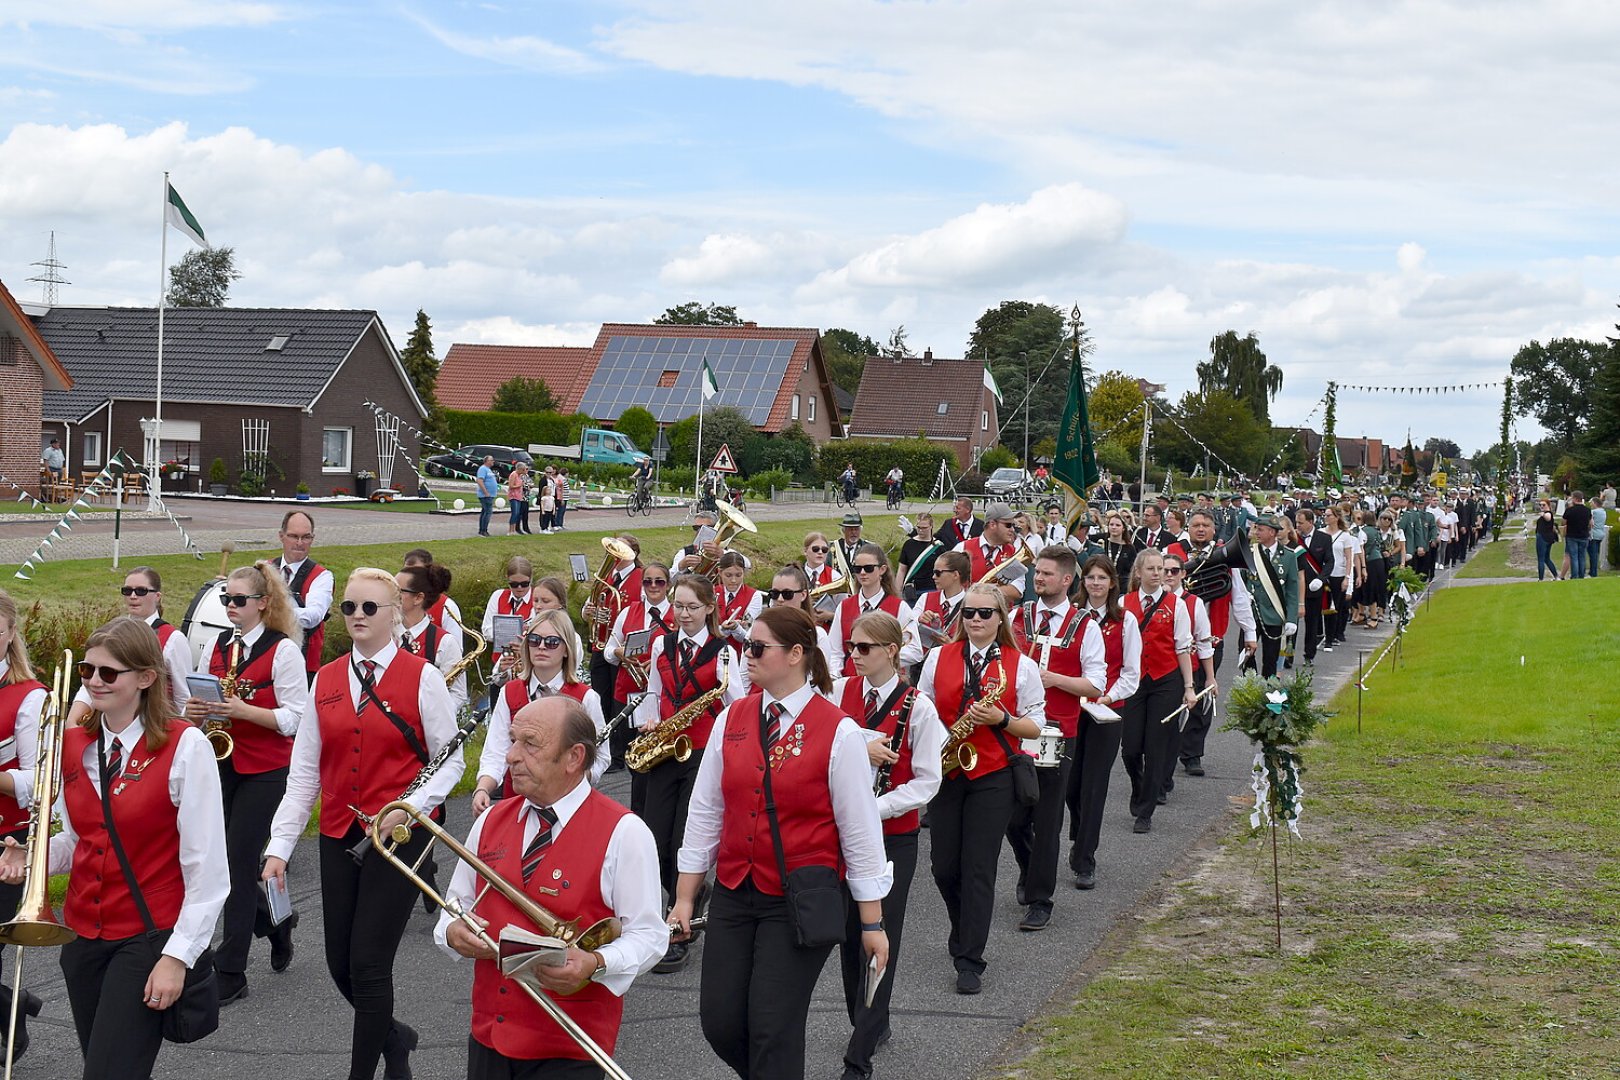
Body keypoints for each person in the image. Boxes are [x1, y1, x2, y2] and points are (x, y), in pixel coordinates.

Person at [667, 606, 891, 1080]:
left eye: (756, 647)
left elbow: (861, 833)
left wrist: (872, 923)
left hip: (798, 898)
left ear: (795, 655)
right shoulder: (733, 717)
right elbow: (706, 812)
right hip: (734, 889)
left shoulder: (840, 732)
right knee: (721, 1022)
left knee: (773, 1026)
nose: (746, 656)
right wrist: (685, 897)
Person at [0, 618, 226, 1080]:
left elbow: (208, 873)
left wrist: (176, 957)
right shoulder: (73, 743)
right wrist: (32, 855)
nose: (93, 682)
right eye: (87, 671)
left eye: (108, 673)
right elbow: (77, 839)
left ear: (145, 678)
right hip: (82, 939)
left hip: (145, 938)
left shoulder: (186, 747)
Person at [263, 568, 463, 1080]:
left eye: (369, 607)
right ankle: (394, 1042)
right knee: (339, 964)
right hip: (338, 832)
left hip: (400, 836)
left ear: (395, 614)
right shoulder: (326, 678)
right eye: (349, 607)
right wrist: (279, 846)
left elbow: (450, 760)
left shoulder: (421, 676)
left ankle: (366, 1072)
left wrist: (412, 805)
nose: (356, 616)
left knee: (370, 965)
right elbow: (305, 770)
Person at [436, 695, 666, 1080]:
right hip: (489, 1037)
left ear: (574, 758)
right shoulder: (491, 819)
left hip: (570, 1048)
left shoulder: (625, 832)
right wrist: (451, 932)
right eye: (512, 740)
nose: (510, 755)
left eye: (530, 743)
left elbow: (650, 936)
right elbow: (454, 906)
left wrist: (596, 962)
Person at [183, 562, 308, 1002]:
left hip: (267, 769)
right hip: (222, 763)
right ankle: (276, 922)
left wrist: (244, 712)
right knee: (221, 861)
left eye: (238, 600)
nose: (230, 607)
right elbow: (196, 698)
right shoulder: (217, 645)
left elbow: (296, 718)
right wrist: (196, 712)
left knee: (236, 864)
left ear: (263, 604)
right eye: (225, 600)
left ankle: (231, 969)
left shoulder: (284, 651)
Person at [829, 610, 943, 1080]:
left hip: (892, 838)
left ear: (892, 651)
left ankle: (860, 1054)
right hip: (844, 839)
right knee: (848, 940)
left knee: (879, 937)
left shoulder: (919, 707)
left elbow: (927, 781)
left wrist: (873, 809)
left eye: (864, 648)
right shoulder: (839, 692)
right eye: (852, 646)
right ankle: (870, 1020)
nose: (854, 656)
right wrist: (858, 743)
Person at [920, 583, 1044, 994]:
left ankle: (970, 958)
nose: (976, 620)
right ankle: (963, 929)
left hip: (993, 775)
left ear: (1000, 618)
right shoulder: (938, 657)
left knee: (978, 868)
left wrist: (1001, 719)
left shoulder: (1019, 664)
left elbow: (1034, 726)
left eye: (985, 613)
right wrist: (939, 740)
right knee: (943, 867)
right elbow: (921, 708)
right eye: (969, 613)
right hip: (947, 769)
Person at [629, 575, 748, 973]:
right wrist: (648, 723)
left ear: (710, 608)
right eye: (678, 606)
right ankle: (692, 895)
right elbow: (652, 690)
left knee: (684, 840)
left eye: (691, 607)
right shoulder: (661, 643)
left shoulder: (726, 652)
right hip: (665, 750)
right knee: (655, 840)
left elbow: (738, 704)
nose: (682, 613)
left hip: (701, 753)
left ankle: (678, 926)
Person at [1006, 546, 1104, 932]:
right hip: (1016, 727)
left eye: (1046, 574)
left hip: (1058, 732)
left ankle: (1040, 899)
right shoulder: (1018, 615)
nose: (1038, 578)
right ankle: (1030, 870)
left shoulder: (1086, 625)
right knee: (1013, 817)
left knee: (1047, 818)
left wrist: (1055, 680)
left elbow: (1096, 684)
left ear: (1067, 580)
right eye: (1037, 573)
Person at [473, 608, 611, 812]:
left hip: (568, 806)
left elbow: (601, 757)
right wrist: (483, 788)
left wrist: (574, 781)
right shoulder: (509, 692)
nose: (542, 647)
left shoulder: (586, 697)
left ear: (566, 649)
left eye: (552, 642)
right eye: (534, 640)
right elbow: (495, 751)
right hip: (517, 803)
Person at [1065, 556, 1139, 888]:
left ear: (1112, 583)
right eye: (1090, 578)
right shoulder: (1072, 617)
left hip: (1106, 711)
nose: (1095, 583)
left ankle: (1085, 858)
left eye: (1102, 578)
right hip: (1069, 709)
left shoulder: (1125, 620)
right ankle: (1080, 834)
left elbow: (1131, 673)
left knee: (1094, 786)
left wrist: (1107, 696)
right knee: (1070, 786)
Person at [1119, 548, 1196, 834]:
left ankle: (1146, 810)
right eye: (1150, 568)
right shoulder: (1123, 603)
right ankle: (1138, 787)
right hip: (1134, 680)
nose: (1157, 573)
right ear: (1138, 572)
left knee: (1155, 747)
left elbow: (1183, 647)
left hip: (1166, 679)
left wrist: (1189, 688)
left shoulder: (1176, 605)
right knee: (1130, 749)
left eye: (1160, 568)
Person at [0, 592, 45, 1061]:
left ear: (11, 634)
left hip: (7, 841)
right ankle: (12, 1004)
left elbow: (40, 780)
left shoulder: (29, 698)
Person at [67, 568, 193, 724]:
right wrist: (73, 720)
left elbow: (183, 696)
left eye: (141, 591)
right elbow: (94, 676)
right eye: (127, 591)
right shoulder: (113, 630)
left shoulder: (174, 639)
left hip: (156, 726)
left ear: (157, 597)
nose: (133, 596)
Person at [826, 542, 923, 678]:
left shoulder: (900, 607)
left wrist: (880, 658)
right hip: (851, 681)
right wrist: (836, 677)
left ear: (882, 569)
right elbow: (835, 651)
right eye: (857, 568)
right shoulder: (844, 606)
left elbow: (915, 651)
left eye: (869, 568)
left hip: (886, 682)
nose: (862, 573)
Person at [397, 561, 468, 714]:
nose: (390, 595)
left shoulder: (445, 642)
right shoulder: (383, 632)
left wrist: (432, 718)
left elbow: (458, 694)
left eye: (398, 591)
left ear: (418, 598)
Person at [272, 510, 334, 685]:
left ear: (312, 539)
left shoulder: (322, 576)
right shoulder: (265, 569)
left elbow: (314, 616)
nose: (300, 543)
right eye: (293, 536)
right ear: (281, 536)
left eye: (306, 537)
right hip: (264, 659)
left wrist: (271, 612)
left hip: (302, 666)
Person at [1245, 515, 1300, 677]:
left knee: (1270, 659)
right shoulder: (1250, 553)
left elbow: (1292, 590)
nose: (1256, 532)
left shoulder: (1288, 556)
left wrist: (1291, 618)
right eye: (1256, 529)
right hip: (1251, 615)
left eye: (1260, 529)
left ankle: (1267, 693)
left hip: (1274, 616)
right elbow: (1241, 581)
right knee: (1247, 657)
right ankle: (1249, 691)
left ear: (1271, 532)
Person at [953, 503, 1025, 606]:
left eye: (1013, 526)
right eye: (1008, 525)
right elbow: (949, 582)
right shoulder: (962, 548)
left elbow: (1017, 590)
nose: (1012, 530)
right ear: (992, 524)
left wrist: (982, 592)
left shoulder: (1014, 553)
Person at [767, 565, 837, 669]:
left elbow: (821, 677)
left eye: (787, 594)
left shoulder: (818, 635)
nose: (780, 599)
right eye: (775, 593)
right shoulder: (759, 630)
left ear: (803, 595)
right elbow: (744, 678)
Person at [483, 556, 537, 683]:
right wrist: (515, 631)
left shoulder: (538, 598)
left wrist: (502, 630)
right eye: (514, 584)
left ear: (531, 579)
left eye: (524, 584)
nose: (519, 588)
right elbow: (486, 631)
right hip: (500, 666)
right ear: (507, 579)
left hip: (528, 668)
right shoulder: (498, 596)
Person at [1294, 508, 1333, 662]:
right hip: (1295, 588)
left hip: (1314, 586)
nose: (1298, 526)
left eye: (1301, 523)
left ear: (1310, 522)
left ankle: (1309, 655)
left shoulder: (1324, 538)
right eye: (1296, 522)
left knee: (1312, 623)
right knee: (1292, 624)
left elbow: (1330, 561)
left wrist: (1321, 579)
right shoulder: (1293, 538)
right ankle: (1288, 656)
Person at [402, 548, 464, 635]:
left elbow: (454, 645)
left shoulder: (447, 607)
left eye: (418, 574)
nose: (411, 579)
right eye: (407, 573)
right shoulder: (396, 603)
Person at [715, 551, 763, 657]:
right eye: (728, 575)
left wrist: (736, 628)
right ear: (720, 572)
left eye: (738, 575)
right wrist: (723, 630)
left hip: (739, 656)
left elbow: (747, 636)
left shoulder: (754, 596)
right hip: (713, 654)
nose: (733, 580)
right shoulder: (712, 593)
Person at [898, 513, 945, 602]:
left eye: (924, 528)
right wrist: (897, 592)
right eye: (918, 527)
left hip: (931, 590)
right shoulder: (909, 544)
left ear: (931, 526)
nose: (921, 531)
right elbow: (902, 569)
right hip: (911, 591)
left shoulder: (939, 546)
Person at [1563, 491, 1593, 579]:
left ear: (1575, 499)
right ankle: (1581, 575)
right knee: (1582, 556)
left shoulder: (1570, 510)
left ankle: (1574, 575)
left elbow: (1563, 521)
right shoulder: (1587, 510)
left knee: (1574, 557)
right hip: (1584, 535)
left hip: (1572, 535)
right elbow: (1591, 523)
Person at [476, 455, 501, 537]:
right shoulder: (483, 469)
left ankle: (482, 530)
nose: (493, 461)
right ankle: (484, 530)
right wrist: (486, 492)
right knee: (488, 512)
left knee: (484, 511)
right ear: (487, 461)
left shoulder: (488, 470)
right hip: (485, 495)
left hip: (490, 494)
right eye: (491, 460)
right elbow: (479, 481)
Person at [505, 461, 531, 536]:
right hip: (513, 496)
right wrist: (520, 485)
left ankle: (514, 530)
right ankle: (510, 530)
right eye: (523, 470)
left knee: (517, 514)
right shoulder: (514, 475)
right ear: (519, 469)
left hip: (519, 497)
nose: (523, 471)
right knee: (514, 513)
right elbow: (511, 486)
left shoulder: (519, 476)